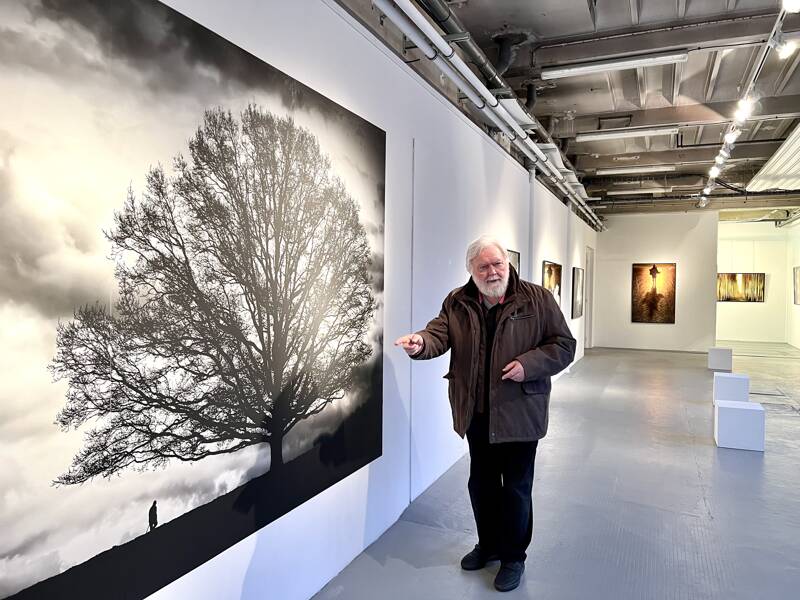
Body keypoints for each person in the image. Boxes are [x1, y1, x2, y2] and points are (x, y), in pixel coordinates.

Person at [394, 235, 576, 592]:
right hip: (477, 414)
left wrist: (529, 364)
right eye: (484, 267)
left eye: (498, 264)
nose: (493, 272)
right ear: (471, 271)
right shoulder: (458, 301)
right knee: (482, 485)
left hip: (520, 413)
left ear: (507, 264)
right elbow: (438, 333)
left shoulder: (537, 299)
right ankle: (489, 545)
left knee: (517, 491)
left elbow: (564, 345)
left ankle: (513, 558)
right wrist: (420, 343)